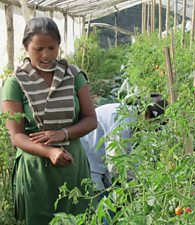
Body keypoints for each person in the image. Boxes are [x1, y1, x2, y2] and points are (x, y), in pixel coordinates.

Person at [2, 17, 97, 225]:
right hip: (37, 171)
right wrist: (49, 151)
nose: (46, 55)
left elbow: (91, 120)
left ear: (59, 46)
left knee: (78, 218)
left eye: (52, 48)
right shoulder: (15, 83)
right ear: (26, 47)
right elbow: (16, 136)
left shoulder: (73, 75)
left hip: (73, 166)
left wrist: (64, 133)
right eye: (39, 49)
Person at [80, 93, 168, 192]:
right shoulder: (123, 121)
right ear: (147, 113)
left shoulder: (127, 115)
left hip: (94, 163)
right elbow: (115, 164)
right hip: (89, 165)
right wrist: (140, 182)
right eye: (153, 124)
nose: (150, 130)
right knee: (98, 201)